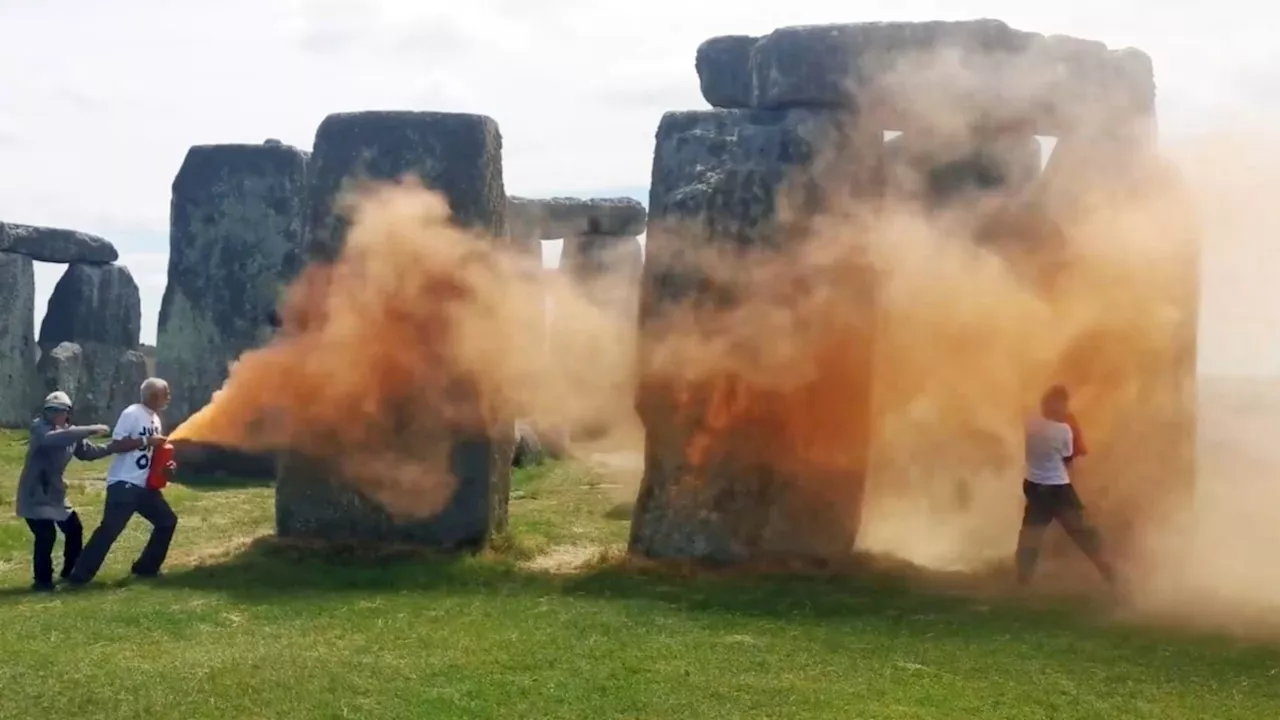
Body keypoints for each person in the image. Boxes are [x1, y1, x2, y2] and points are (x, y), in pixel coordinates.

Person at [14, 392, 144, 592]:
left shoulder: (70, 433)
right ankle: (42, 581)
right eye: (51, 410)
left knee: (74, 529)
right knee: (46, 535)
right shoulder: (40, 429)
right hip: (34, 493)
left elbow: (88, 453)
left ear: (67, 413)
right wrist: (89, 429)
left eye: (59, 410)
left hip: (55, 494)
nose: (54, 414)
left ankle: (70, 572)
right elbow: (52, 439)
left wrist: (115, 447)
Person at [65, 378, 178, 587]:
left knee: (167, 521)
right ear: (154, 396)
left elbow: (152, 454)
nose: (169, 397)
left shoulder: (155, 419)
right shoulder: (132, 413)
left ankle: (146, 568)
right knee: (109, 530)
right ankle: (78, 577)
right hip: (124, 484)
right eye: (166, 393)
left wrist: (166, 467)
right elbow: (116, 444)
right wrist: (146, 441)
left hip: (144, 487)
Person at [1015, 384, 1117, 588]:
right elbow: (1068, 459)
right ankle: (1107, 571)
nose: (1065, 409)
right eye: (1063, 405)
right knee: (1081, 532)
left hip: (1035, 487)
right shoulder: (1063, 430)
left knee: (1031, 535)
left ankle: (1022, 580)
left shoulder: (1031, 424)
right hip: (1058, 488)